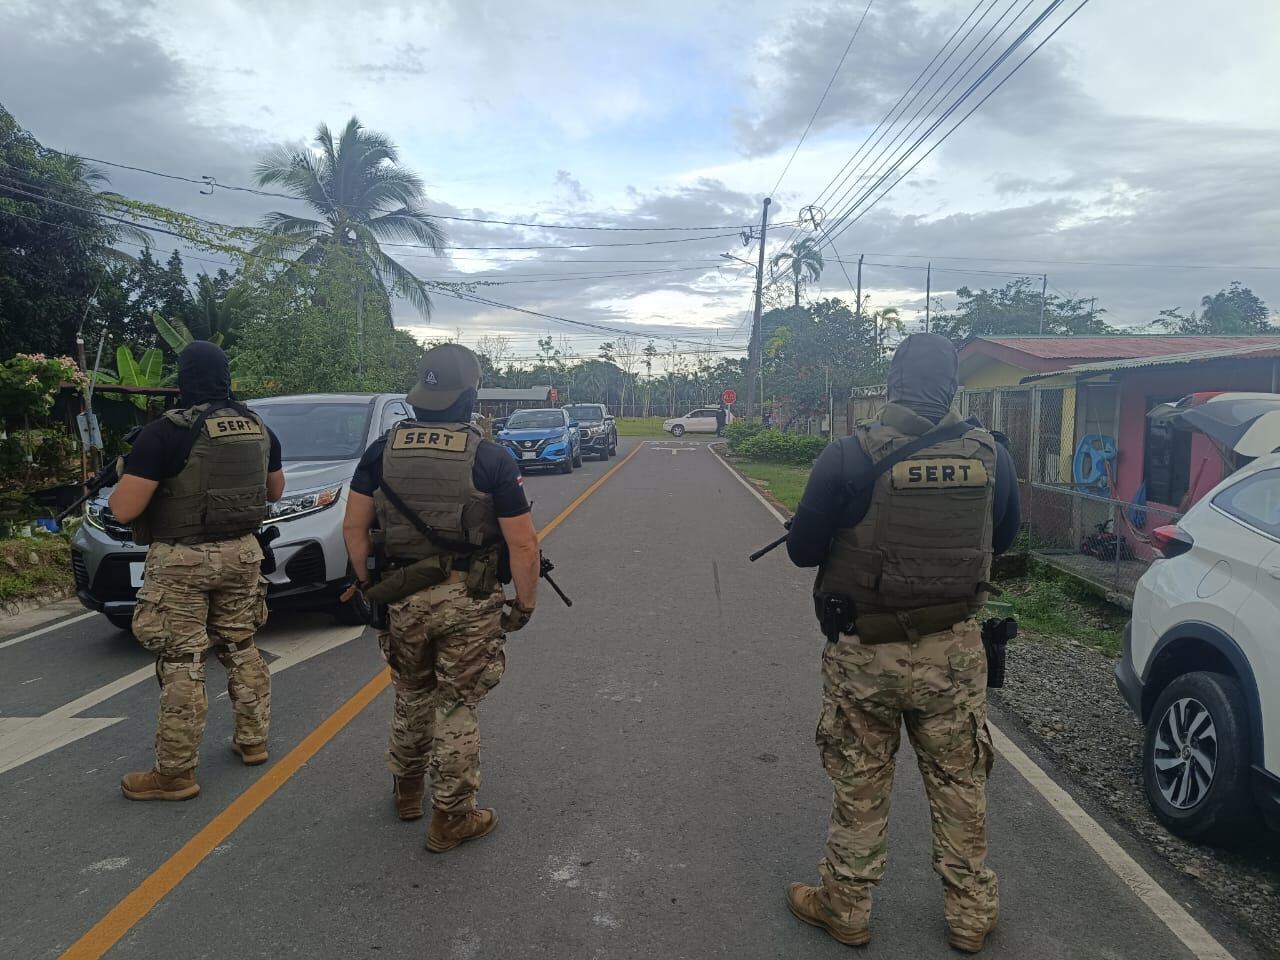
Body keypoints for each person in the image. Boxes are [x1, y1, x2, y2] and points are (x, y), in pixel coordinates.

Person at [783, 333, 1020, 953]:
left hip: (867, 652)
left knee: (861, 779)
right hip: (954, 651)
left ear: (892, 383)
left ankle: (847, 908)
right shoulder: (992, 455)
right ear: (953, 385)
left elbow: (804, 550)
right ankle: (971, 916)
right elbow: (1006, 537)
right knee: (959, 781)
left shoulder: (848, 456)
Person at [341, 344, 541, 852]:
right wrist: (524, 603)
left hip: (403, 599)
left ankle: (408, 792)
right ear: (470, 397)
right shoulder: (491, 457)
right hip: (468, 602)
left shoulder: (380, 451)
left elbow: (354, 526)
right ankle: (451, 816)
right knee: (456, 705)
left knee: (410, 693)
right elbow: (522, 542)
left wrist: (369, 586)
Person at [108, 341, 285, 801]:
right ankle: (253, 741)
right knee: (242, 646)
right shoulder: (256, 426)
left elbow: (124, 510)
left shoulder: (166, 432)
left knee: (184, 661)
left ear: (182, 380)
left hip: (182, 561)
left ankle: (175, 773)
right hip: (243, 554)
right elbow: (276, 491)